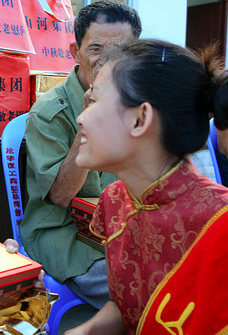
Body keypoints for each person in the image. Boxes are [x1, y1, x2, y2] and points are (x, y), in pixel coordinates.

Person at [68, 39, 228, 334]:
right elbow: (129, 305)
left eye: (92, 101)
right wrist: (87, 330)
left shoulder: (220, 223)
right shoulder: (115, 198)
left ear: (140, 119)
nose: (81, 117)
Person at [20, 0, 142, 314]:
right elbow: (61, 195)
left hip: (124, 232)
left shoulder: (138, 106)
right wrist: (90, 117)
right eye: (96, 49)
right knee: (144, 290)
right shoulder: (50, 112)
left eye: (122, 51)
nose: (109, 61)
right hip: (66, 236)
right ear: (75, 53)